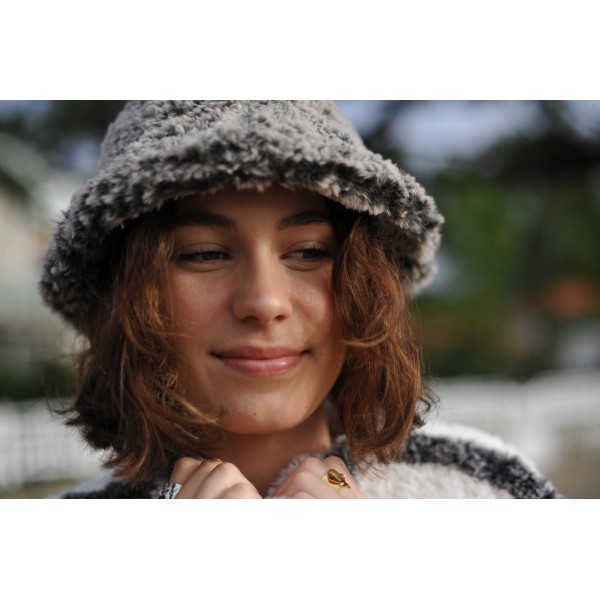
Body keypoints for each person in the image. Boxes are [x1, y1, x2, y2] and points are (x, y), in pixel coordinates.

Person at [40, 101, 560, 499]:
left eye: (309, 252)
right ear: (127, 294)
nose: (266, 302)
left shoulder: (487, 488)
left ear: (367, 284)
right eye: (204, 254)